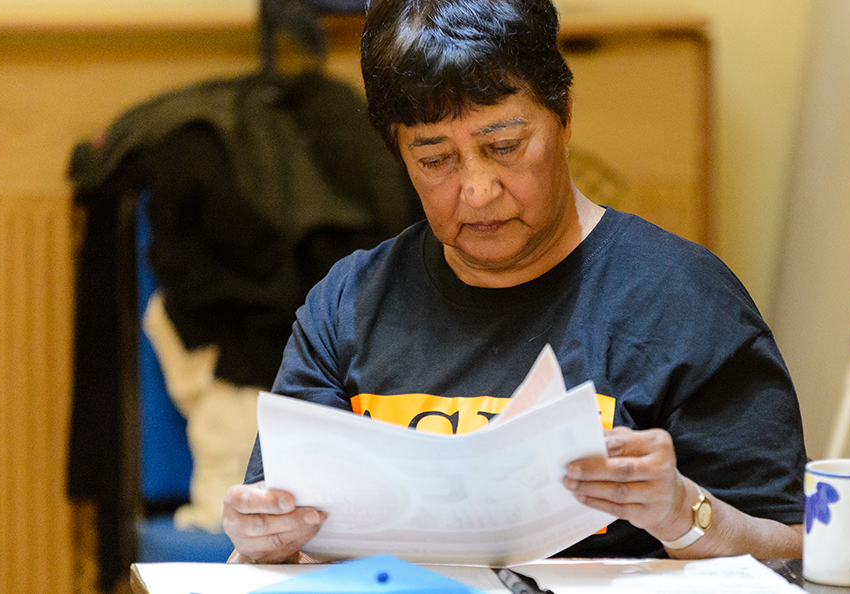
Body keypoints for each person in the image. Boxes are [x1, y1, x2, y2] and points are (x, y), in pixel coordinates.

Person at [223, 0, 807, 564]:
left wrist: (684, 510)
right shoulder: (346, 307)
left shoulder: (685, 302)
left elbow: (797, 550)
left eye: (504, 146)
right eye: (434, 160)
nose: (477, 190)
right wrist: (264, 542)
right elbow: (273, 547)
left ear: (564, 115)